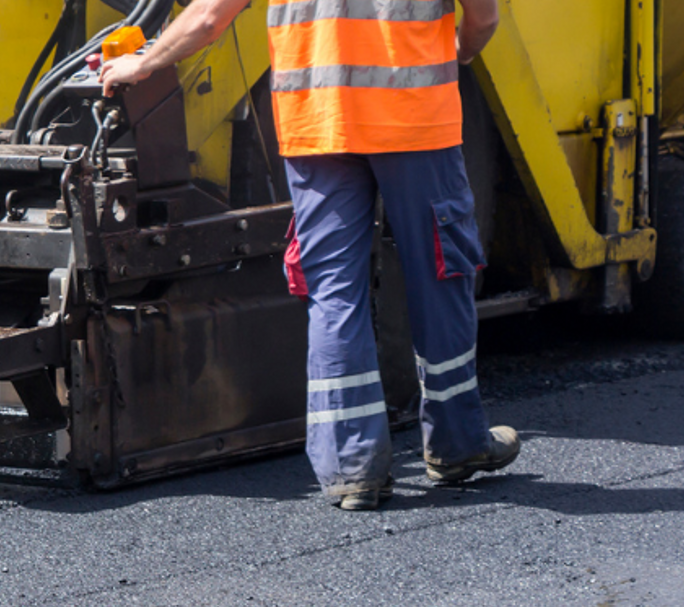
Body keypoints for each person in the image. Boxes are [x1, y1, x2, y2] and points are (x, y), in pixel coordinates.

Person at [102, 0, 519, 511]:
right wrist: (459, 52)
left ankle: (353, 469)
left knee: (333, 290)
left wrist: (141, 62)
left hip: (317, 124)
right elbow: (483, 18)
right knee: (439, 273)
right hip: (415, 119)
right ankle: (459, 444)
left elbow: (210, 17)